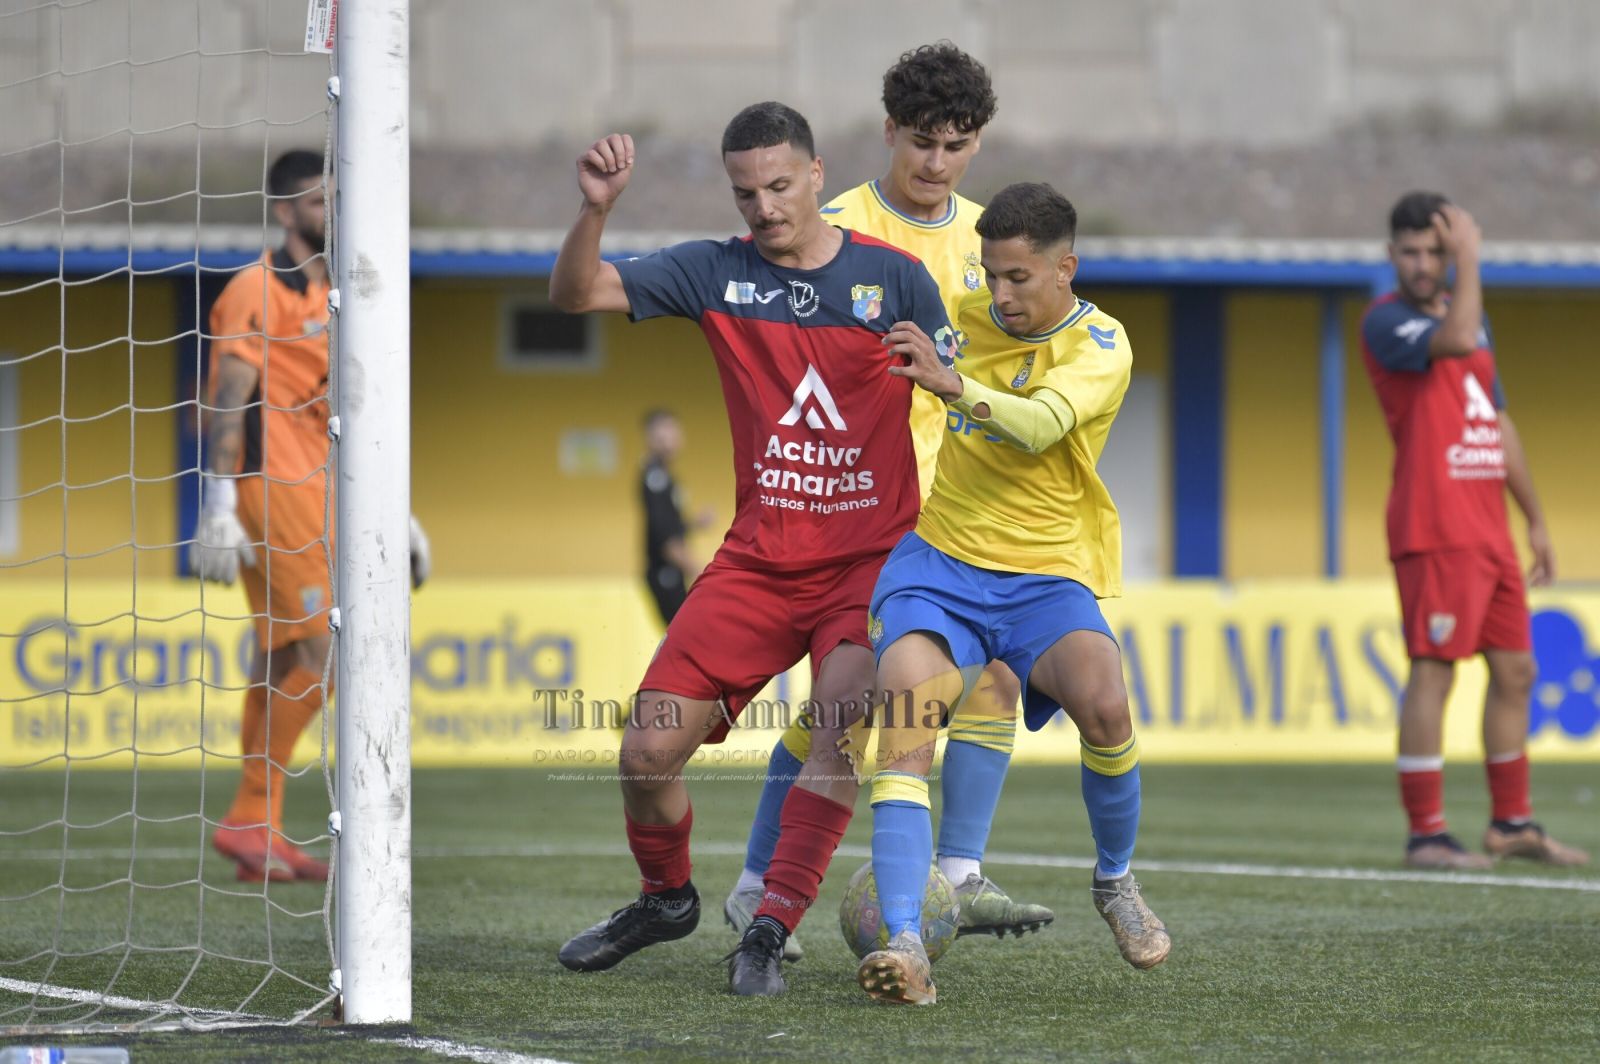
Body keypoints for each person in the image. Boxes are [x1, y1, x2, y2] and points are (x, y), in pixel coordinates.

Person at [548, 102, 957, 996]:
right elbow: (576, 295)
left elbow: (966, 394)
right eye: (746, 193)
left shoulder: (896, 280)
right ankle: (666, 899)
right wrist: (595, 209)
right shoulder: (714, 271)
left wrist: (947, 380)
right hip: (756, 564)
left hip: (867, 566)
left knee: (838, 726)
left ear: (816, 175)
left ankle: (768, 930)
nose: (764, 208)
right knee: (644, 755)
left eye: (778, 186)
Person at [724, 42, 1052, 964]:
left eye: (956, 145)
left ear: (977, 143)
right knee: (853, 703)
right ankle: (755, 882)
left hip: (962, 506)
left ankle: (961, 873)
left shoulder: (992, 244)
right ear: (889, 133)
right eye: (921, 142)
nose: (936, 163)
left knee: (995, 674)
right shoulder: (831, 227)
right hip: (863, 508)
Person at [850, 182, 1169, 1006]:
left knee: (1106, 707)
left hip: (1045, 574)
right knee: (906, 724)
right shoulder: (965, 317)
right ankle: (907, 944)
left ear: (1066, 269)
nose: (1000, 294)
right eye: (991, 275)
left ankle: (1115, 881)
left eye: (1018, 277)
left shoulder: (1101, 344)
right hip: (942, 565)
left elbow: (1038, 427)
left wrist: (952, 385)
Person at [197, 149, 430, 882]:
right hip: (268, 487)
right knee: (328, 654)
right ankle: (252, 815)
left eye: (335, 198)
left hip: (317, 490)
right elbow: (226, 398)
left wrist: (398, 512)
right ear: (283, 210)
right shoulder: (255, 288)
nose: (331, 211)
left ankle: (257, 827)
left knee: (280, 659)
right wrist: (216, 501)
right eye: (317, 201)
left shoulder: (337, 295)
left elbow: (351, 414)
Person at [1359, 192, 1587, 871]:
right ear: (1392, 255)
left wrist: (1535, 518)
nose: (1423, 264)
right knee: (1434, 672)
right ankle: (1426, 834)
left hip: (1489, 531)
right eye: (1412, 252)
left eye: (1436, 251)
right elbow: (1455, 338)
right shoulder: (1387, 321)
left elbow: (1497, 420)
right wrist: (1470, 259)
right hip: (1434, 527)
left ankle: (1511, 823)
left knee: (1517, 671)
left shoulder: (1472, 318)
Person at [639, 409, 711, 625]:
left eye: (674, 430)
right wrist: (701, 574)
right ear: (652, 437)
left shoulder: (665, 476)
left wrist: (693, 524)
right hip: (664, 572)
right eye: (665, 431)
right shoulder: (655, 478)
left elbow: (670, 524)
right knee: (688, 634)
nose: (672, 437)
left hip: (670, 572)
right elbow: (665, 537)